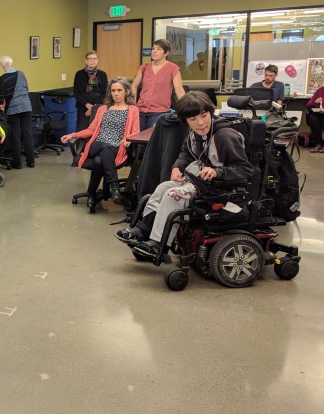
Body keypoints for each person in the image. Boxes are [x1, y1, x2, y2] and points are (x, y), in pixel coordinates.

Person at [116, 91, 253, 259]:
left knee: (173, 194)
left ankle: (159, 244)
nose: (200, 123)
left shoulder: (224, 136)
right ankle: (143, 231)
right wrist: (177, 167)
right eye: (193, 119)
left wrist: (217, 172)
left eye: (203, 116)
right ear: (186, 121)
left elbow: (245, 169)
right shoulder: (193, 133)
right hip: (200, 182)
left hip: (220, 188)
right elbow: (186, 154)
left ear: (210, 112)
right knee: (163, 187)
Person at [61, 77, 139, 212]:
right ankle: (115, 188)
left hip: (116, 148)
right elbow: (91, 130)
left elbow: (135, 131)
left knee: (98, 161)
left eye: (119, 90)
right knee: (104, 147)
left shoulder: (132, 110)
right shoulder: (103, 109)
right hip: (96, 145)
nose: (116, 93)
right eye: (113, 90)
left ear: (126, 91)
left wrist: (129, 139)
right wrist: (73, 135)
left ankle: (92, 194)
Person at [131, 39, 186, 131]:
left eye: (159, 49)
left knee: (152, 139)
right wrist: (133, 104)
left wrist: (187, 107)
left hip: (159, 111)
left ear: (166, 53)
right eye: (153, 48)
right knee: (138, 139)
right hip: (141, 110)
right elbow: (134, 86)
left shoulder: (173, 68)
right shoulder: (144, 67)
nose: (154, 51)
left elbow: (179, 90)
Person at [0, 55, 35, 169]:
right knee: (28, 134)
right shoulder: (22, 74)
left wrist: (1, 106)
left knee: (16, 135)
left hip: (13, 109)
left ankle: (17, 163)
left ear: (3, 66)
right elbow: (26, 89)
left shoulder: (3, 78)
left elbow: (1, 96)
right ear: (12, 63)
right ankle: (31, 161)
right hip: (27, 106)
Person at [73, 50, 108, 131]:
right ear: (86, 60)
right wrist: (87, 105)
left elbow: (104, 92)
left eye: (94, 59)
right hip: (83, 106)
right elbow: (77, 92)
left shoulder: (102, 74)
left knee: (96, 130)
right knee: (82, 130)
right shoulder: (79, 74)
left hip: (98, 106)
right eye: (89, 59)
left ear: (97, 60)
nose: (92, 61)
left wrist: (93, 107)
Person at [305, 85, 324, 153]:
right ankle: (318, 143)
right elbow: (308, 105)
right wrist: (315, 102)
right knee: (313, 118)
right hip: (320, 113)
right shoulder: (321, 90)